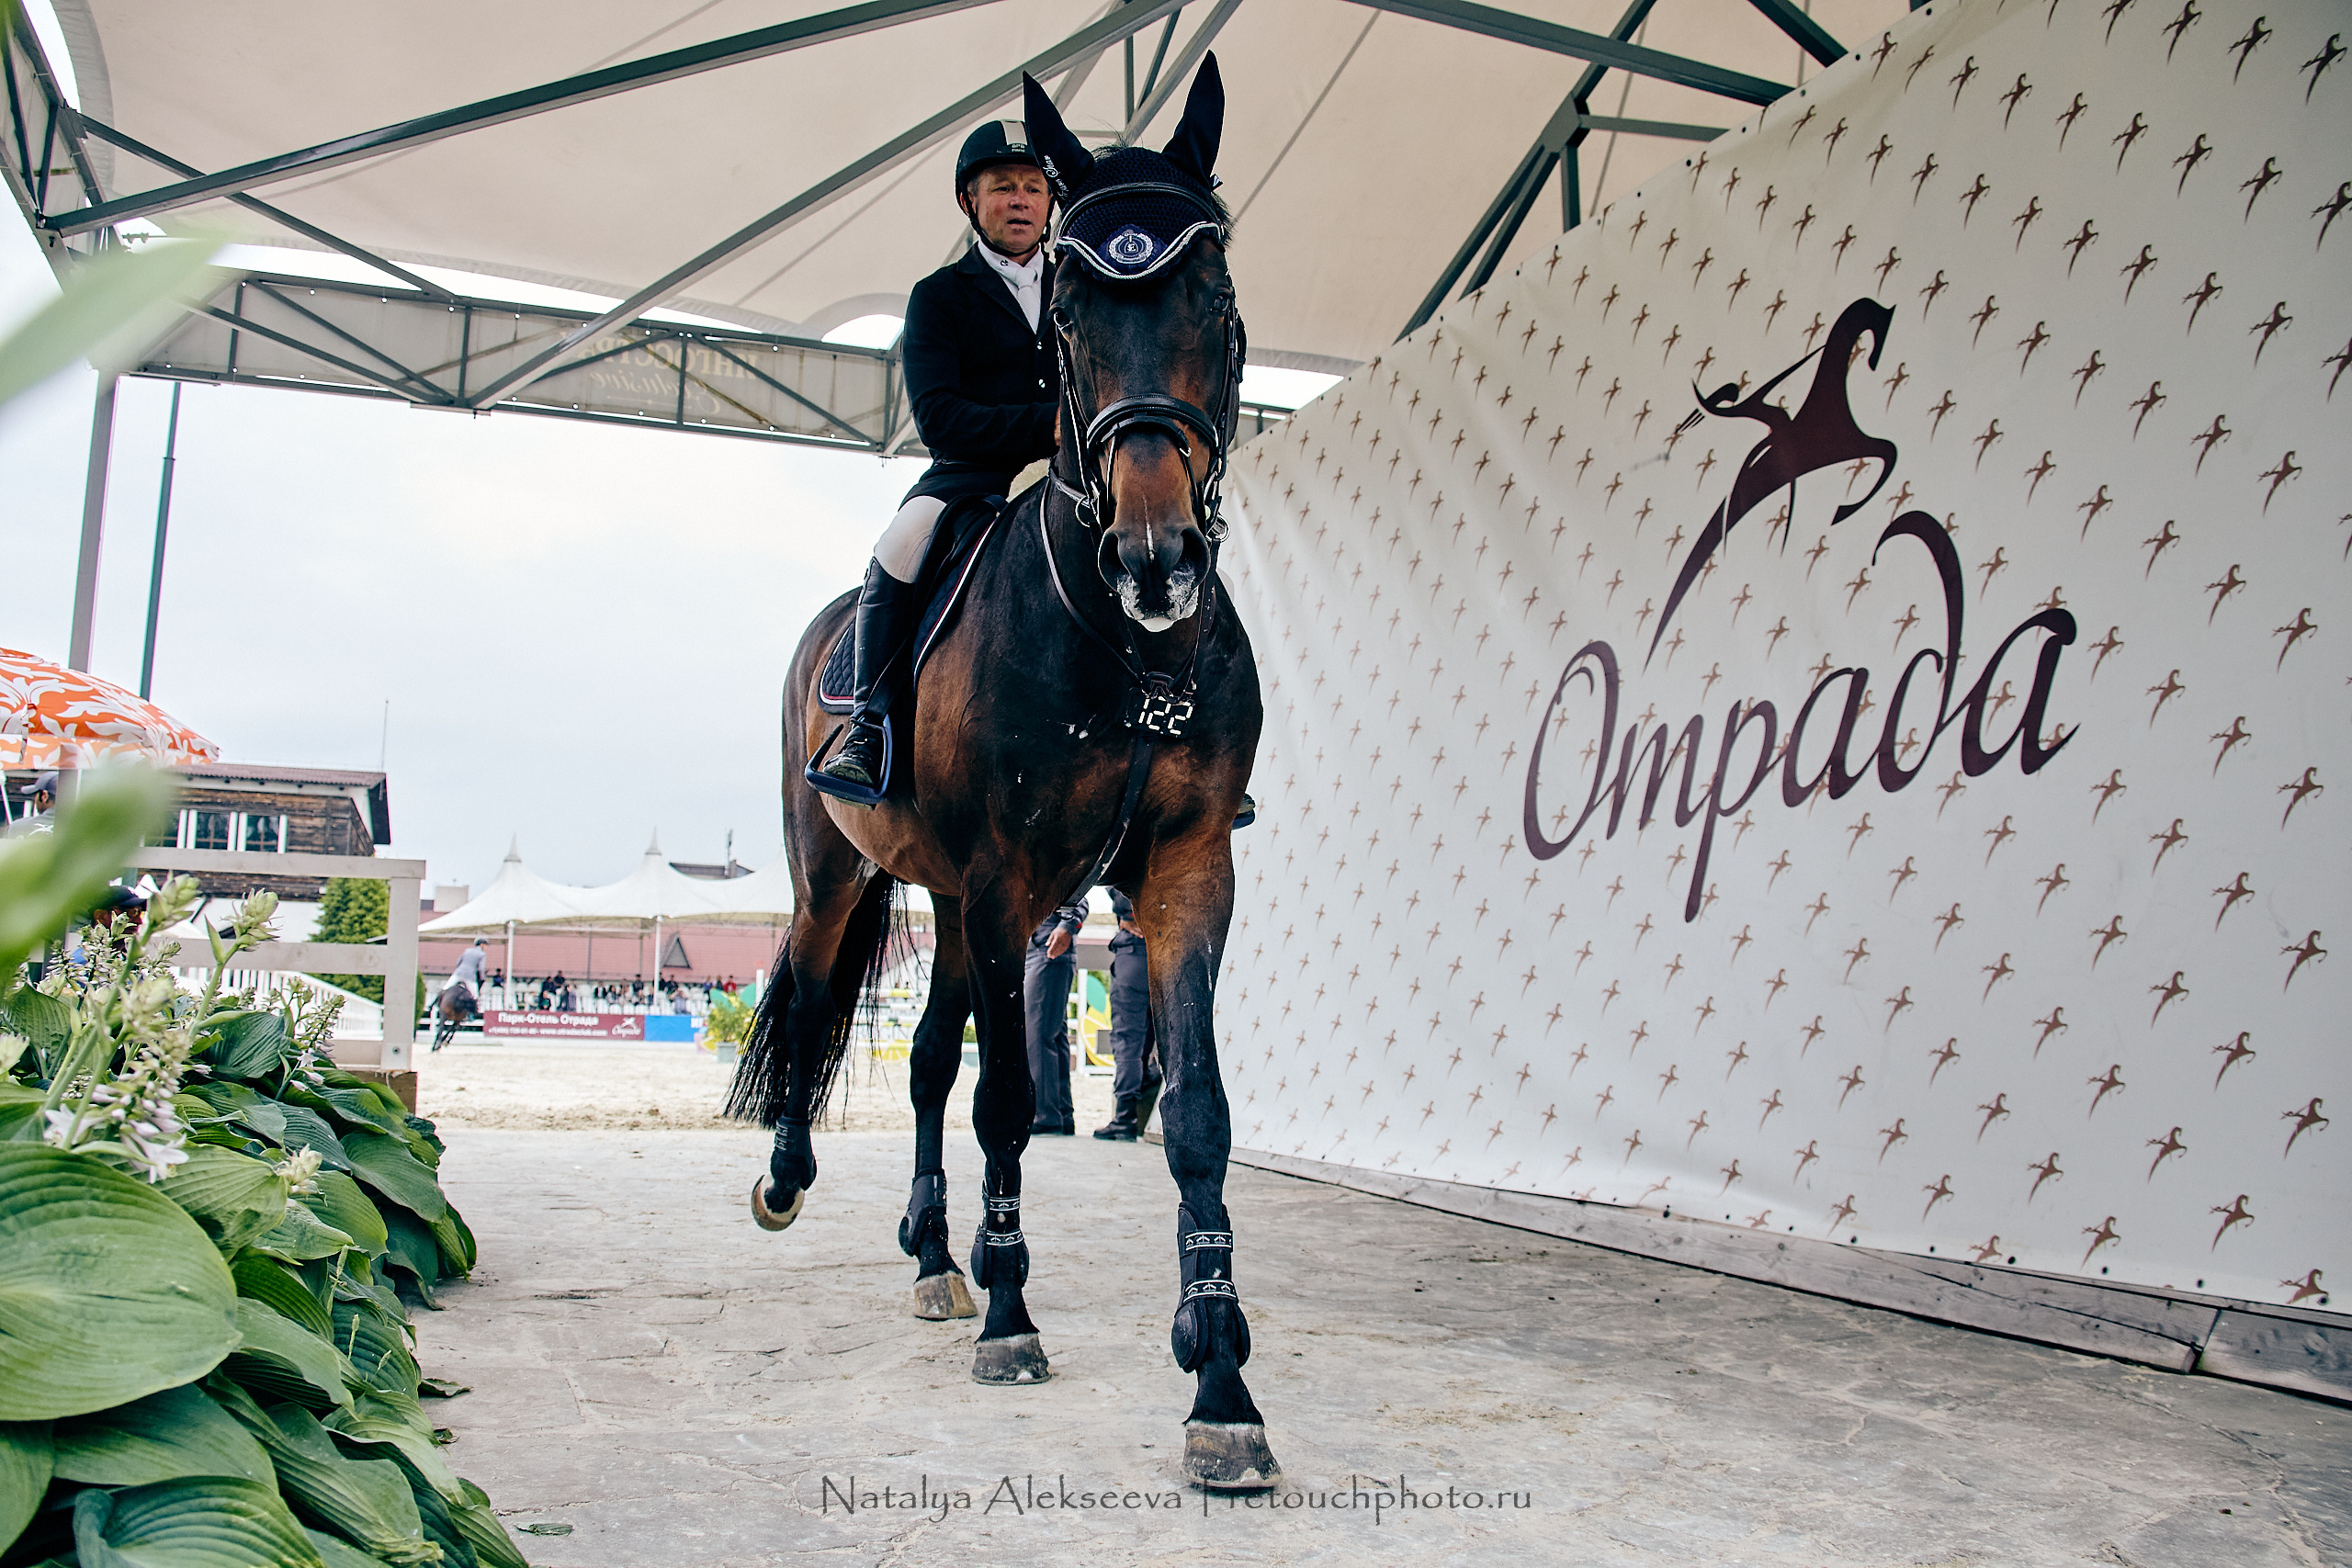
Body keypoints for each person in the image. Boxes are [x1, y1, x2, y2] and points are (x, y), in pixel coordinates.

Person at [809, 118, 1060, 802]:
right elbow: (941, 419)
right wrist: (1056, 424)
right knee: (901, 542)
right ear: (969, 202)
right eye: (1003, 187)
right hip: (970, 478)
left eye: (1033, 188)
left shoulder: (1082, 287)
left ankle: (1185, 733)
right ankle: (871, 724)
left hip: (1075, 478)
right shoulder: (941, 296)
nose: (1020, 200)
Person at [1092, 888, 1161, 1140]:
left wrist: (1128, 912)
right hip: (1166, 952)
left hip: (1133, 952)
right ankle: (1147, 1095)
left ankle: (1125, 1118)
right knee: (1154, 1039)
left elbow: (1118, 879)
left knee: (1127, 1042)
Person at [1023, 899, 1086, 1135]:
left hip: (1048, 949)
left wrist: (1066, 927)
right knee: (1054, 1032)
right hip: (1037, 949)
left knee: (1037, 1034)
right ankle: (1061, 1114)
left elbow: (1081, 899)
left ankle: (1045, 1115)